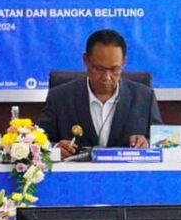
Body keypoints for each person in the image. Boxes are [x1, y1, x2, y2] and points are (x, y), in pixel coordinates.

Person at [38, 29, 159, 157]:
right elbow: (39, 141)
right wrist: (55, 148)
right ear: (86, 60)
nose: (107, 77)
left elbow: (161, 142)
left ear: (123, 62)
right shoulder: (59, 98)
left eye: (114, 69)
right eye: (99, 69)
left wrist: (146, 143)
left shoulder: (145, 97)